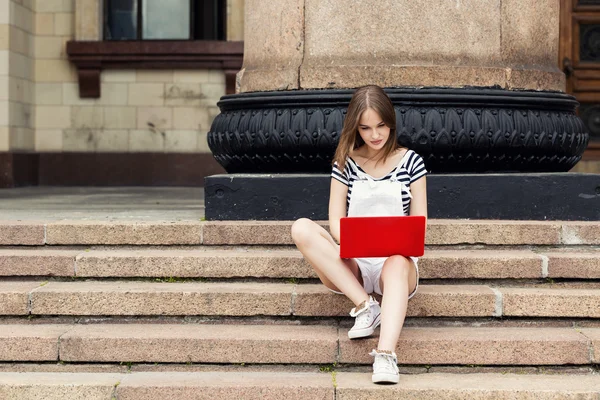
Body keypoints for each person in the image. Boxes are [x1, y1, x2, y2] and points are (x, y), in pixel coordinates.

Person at [291, 85, 428, 384]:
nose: (375, 135)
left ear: (391, 122)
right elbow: (336, 221)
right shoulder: (345, 162)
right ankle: (366, 305)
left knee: (395, 262)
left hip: (397, 265)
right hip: (353, 261)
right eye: (365, 128)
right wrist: (353, 243)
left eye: (381, 126)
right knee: (301, 227)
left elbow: (419, 221)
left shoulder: (411, 162)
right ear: (355, 127)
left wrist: (397, 246)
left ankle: (386, 355)